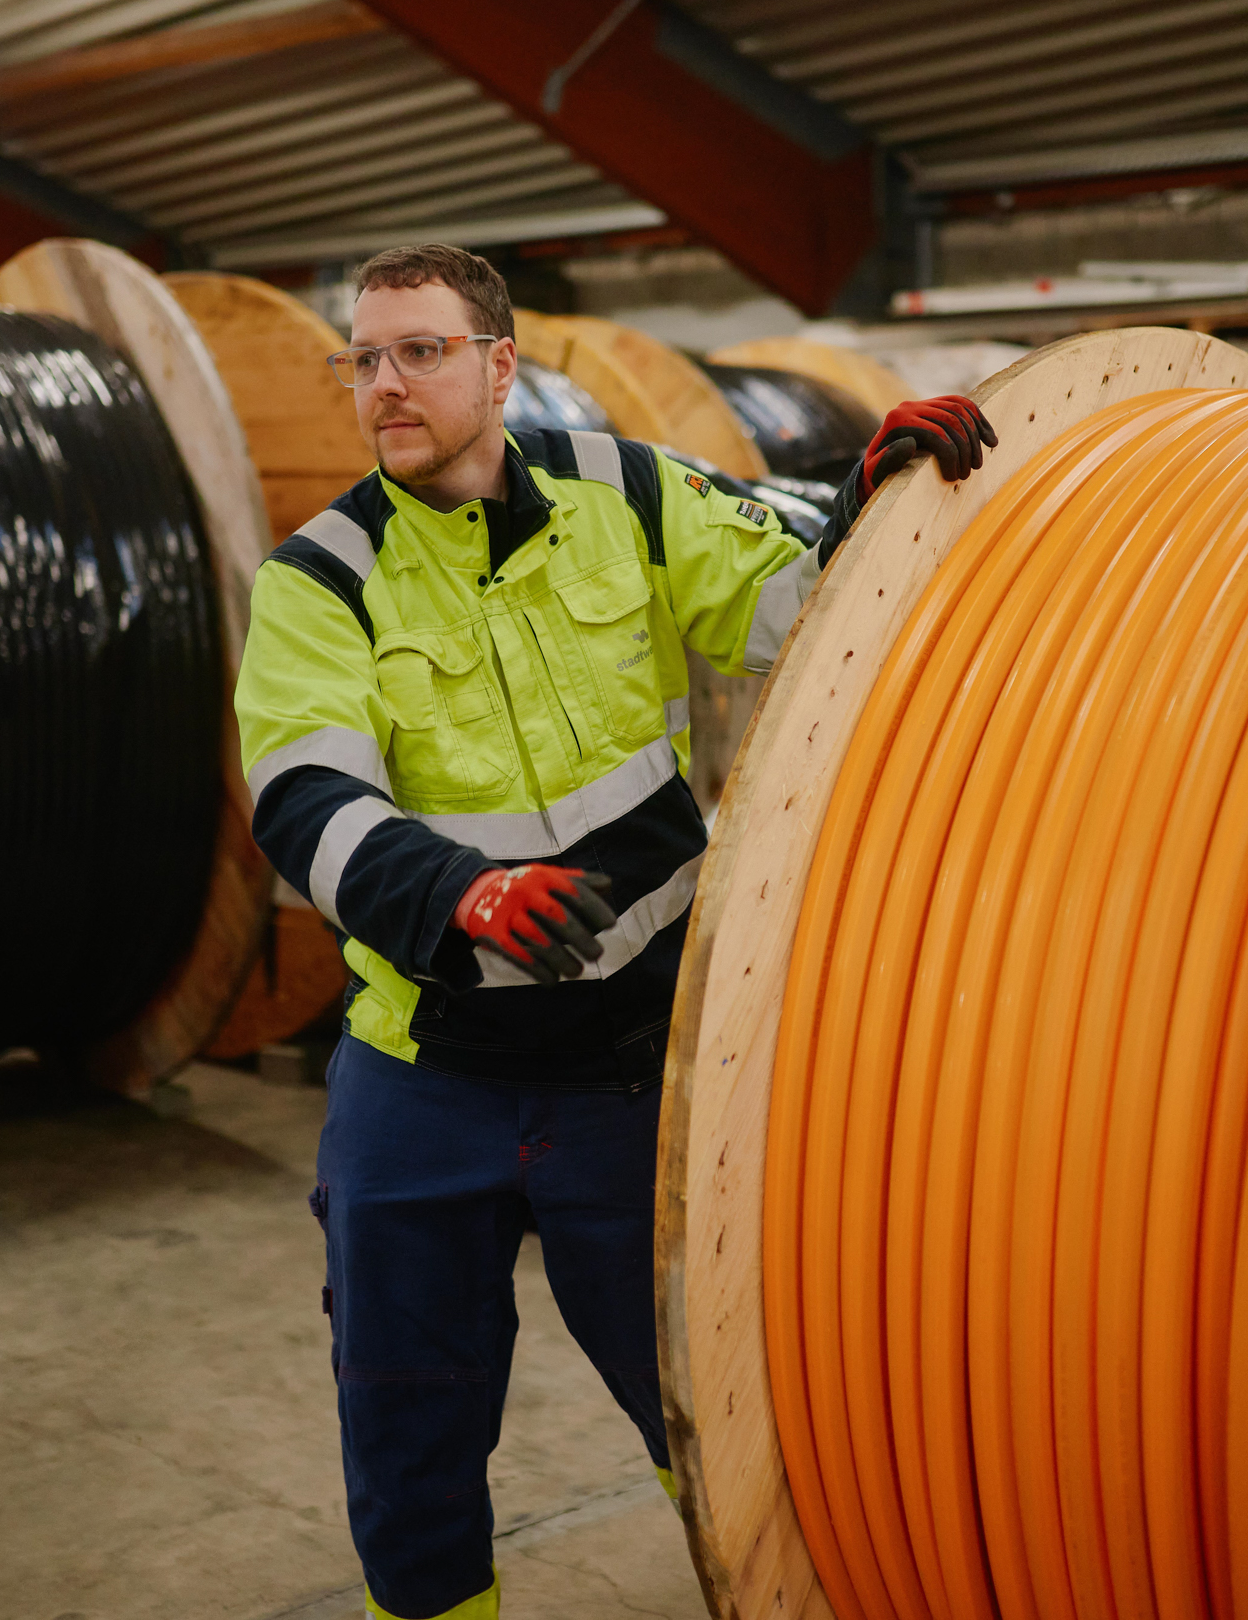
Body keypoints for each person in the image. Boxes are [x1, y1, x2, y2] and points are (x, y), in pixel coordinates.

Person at [233, 243, 997, 1620]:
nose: (387, 384)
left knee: (706, 1406)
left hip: (636, 1074)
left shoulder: (627, 494)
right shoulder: (321, 577)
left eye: (422, 351)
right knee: (407, 1431)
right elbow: (304, 797)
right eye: (367, 357)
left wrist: (877, 506)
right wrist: (456, 894)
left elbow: (799, 615)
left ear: (502, 364)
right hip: (426, 1077)